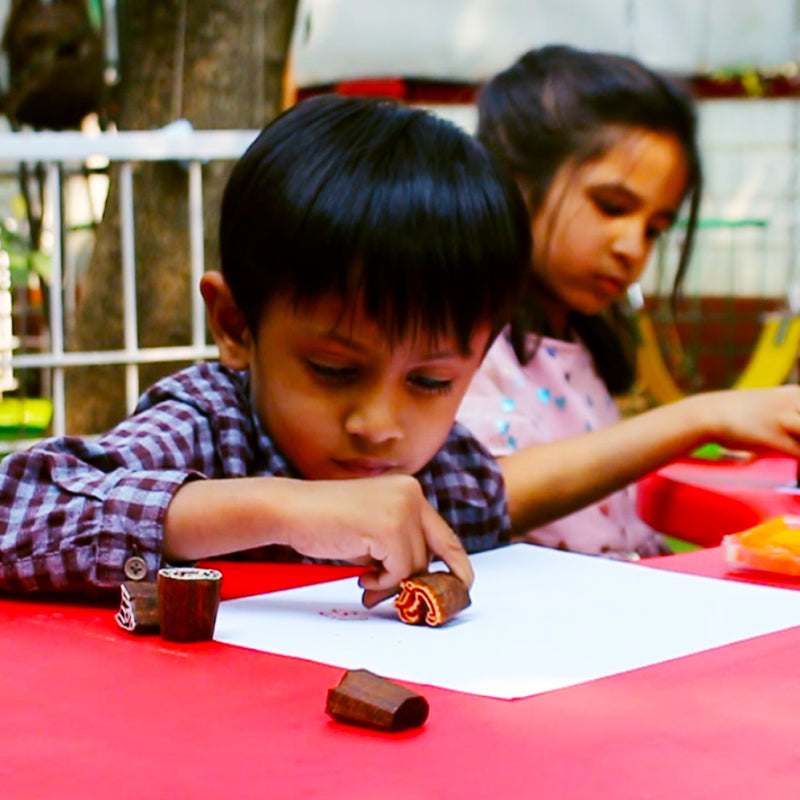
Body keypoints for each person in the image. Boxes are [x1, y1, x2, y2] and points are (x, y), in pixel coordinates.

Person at [0, 94, 531, 604]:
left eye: (430, 381)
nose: (377, 424)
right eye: (333, 369)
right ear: (236, 326)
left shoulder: (459, 480)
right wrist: (282, 510)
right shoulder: (208, 430)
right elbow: (13, 513)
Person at [457, 44, 800, 559]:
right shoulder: (454, 342)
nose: (632, 247)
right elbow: (479, 496)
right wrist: (700, 417)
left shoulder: (577, 345)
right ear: (515, 179)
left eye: (655, 230)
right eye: (611, 206)